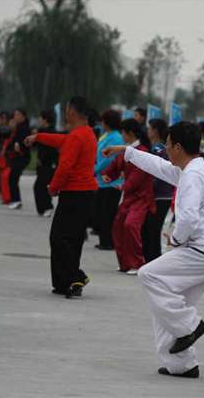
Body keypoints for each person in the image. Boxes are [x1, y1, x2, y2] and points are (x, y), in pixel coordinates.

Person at [103, 121, 204, 379]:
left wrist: (177, 239)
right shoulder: (193, 169)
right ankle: (181, 364)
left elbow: (189, 218)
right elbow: (158, 166)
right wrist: (127, 151)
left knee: (149, 275)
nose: (165, 151)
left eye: (167, 145)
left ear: (178, 147)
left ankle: (189, 327)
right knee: (166, 305)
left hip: (202, 252)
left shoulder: (192, 175)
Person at [24, 96, 98, 298]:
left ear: (72, 112)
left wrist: (53, 188)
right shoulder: (86, 133)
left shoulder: (77, 136)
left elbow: (65, 166)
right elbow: (62, 140)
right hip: (85, 194)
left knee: (58, 238)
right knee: (72, 239)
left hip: (74, 193)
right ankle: (67, 282)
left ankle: (75, 276)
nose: (65, 113)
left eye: (67, 110)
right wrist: (38, 137)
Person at [102, 118, 155, 275]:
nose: (121, 135)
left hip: (142, 197)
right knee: (118, 226)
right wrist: (108, 175)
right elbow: (116, 164)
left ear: (130, 133)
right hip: (129, 196)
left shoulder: (143, 151)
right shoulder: (128, 150)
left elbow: (139, 175)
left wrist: (123, 186)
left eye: (123, 133)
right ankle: (125, 263)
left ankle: (137, 263)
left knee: (130, 225)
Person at [142, 118, 174, 263]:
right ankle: (151, 259)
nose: (148, 132)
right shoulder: (161, 149)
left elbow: (154, 173)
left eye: (150, 129)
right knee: (153, 229)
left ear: (155, 131)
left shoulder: (157, 149)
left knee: (153, 230)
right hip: (164, 194)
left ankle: (153, 260)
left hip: (159, 195)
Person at [94, 110, 124, 250]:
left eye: (103, 121)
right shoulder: (106, 135)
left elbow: (109, 160)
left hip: (111, 181)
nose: (101, 123)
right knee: (101, 212)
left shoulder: (116, 138)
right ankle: (104, 239)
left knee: (108, 213)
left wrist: (95, 170)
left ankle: (108, 241)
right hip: (101, 179)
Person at [32, 109, 59, 217]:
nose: (39, 120)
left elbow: (51, 149)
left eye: (40, 118)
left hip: (49, 164)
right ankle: (42, 209)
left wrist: (43, 159)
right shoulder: (41, 131)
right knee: (39, 186)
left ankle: (48, 207)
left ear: (45, 119)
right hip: (42, 164)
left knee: (43, 186)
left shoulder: (51, 132)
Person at [6, 109, 32, 209]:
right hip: (18, 156)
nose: (15, 116)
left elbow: (26, 142)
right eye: (15, 114)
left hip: (22, 156)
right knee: (12, 177)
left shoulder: (24, 128)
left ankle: (16, 200)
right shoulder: (19, 127)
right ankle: (15, 200)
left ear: (23, 116)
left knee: (13, 177)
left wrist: (19, 145)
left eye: (17, 114)